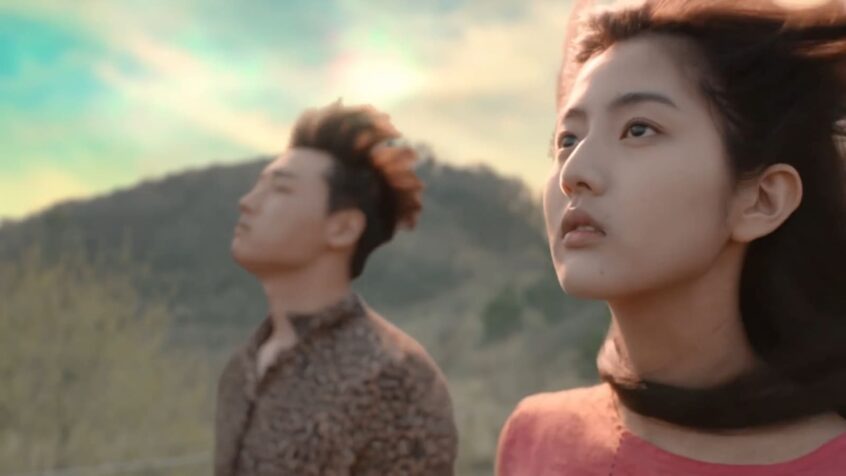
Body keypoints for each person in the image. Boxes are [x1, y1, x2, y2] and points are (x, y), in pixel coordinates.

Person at [497, 0, 846, 474]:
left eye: (638, 129)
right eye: (567, 140)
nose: (574, 172)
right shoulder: (534, 439)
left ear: (762, 199)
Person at [215, 102, 458, 475]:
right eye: (257, 187)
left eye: (280, 189)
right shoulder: (242, 368)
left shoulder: (393, 376)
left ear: (343, 228)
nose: (247, 203)